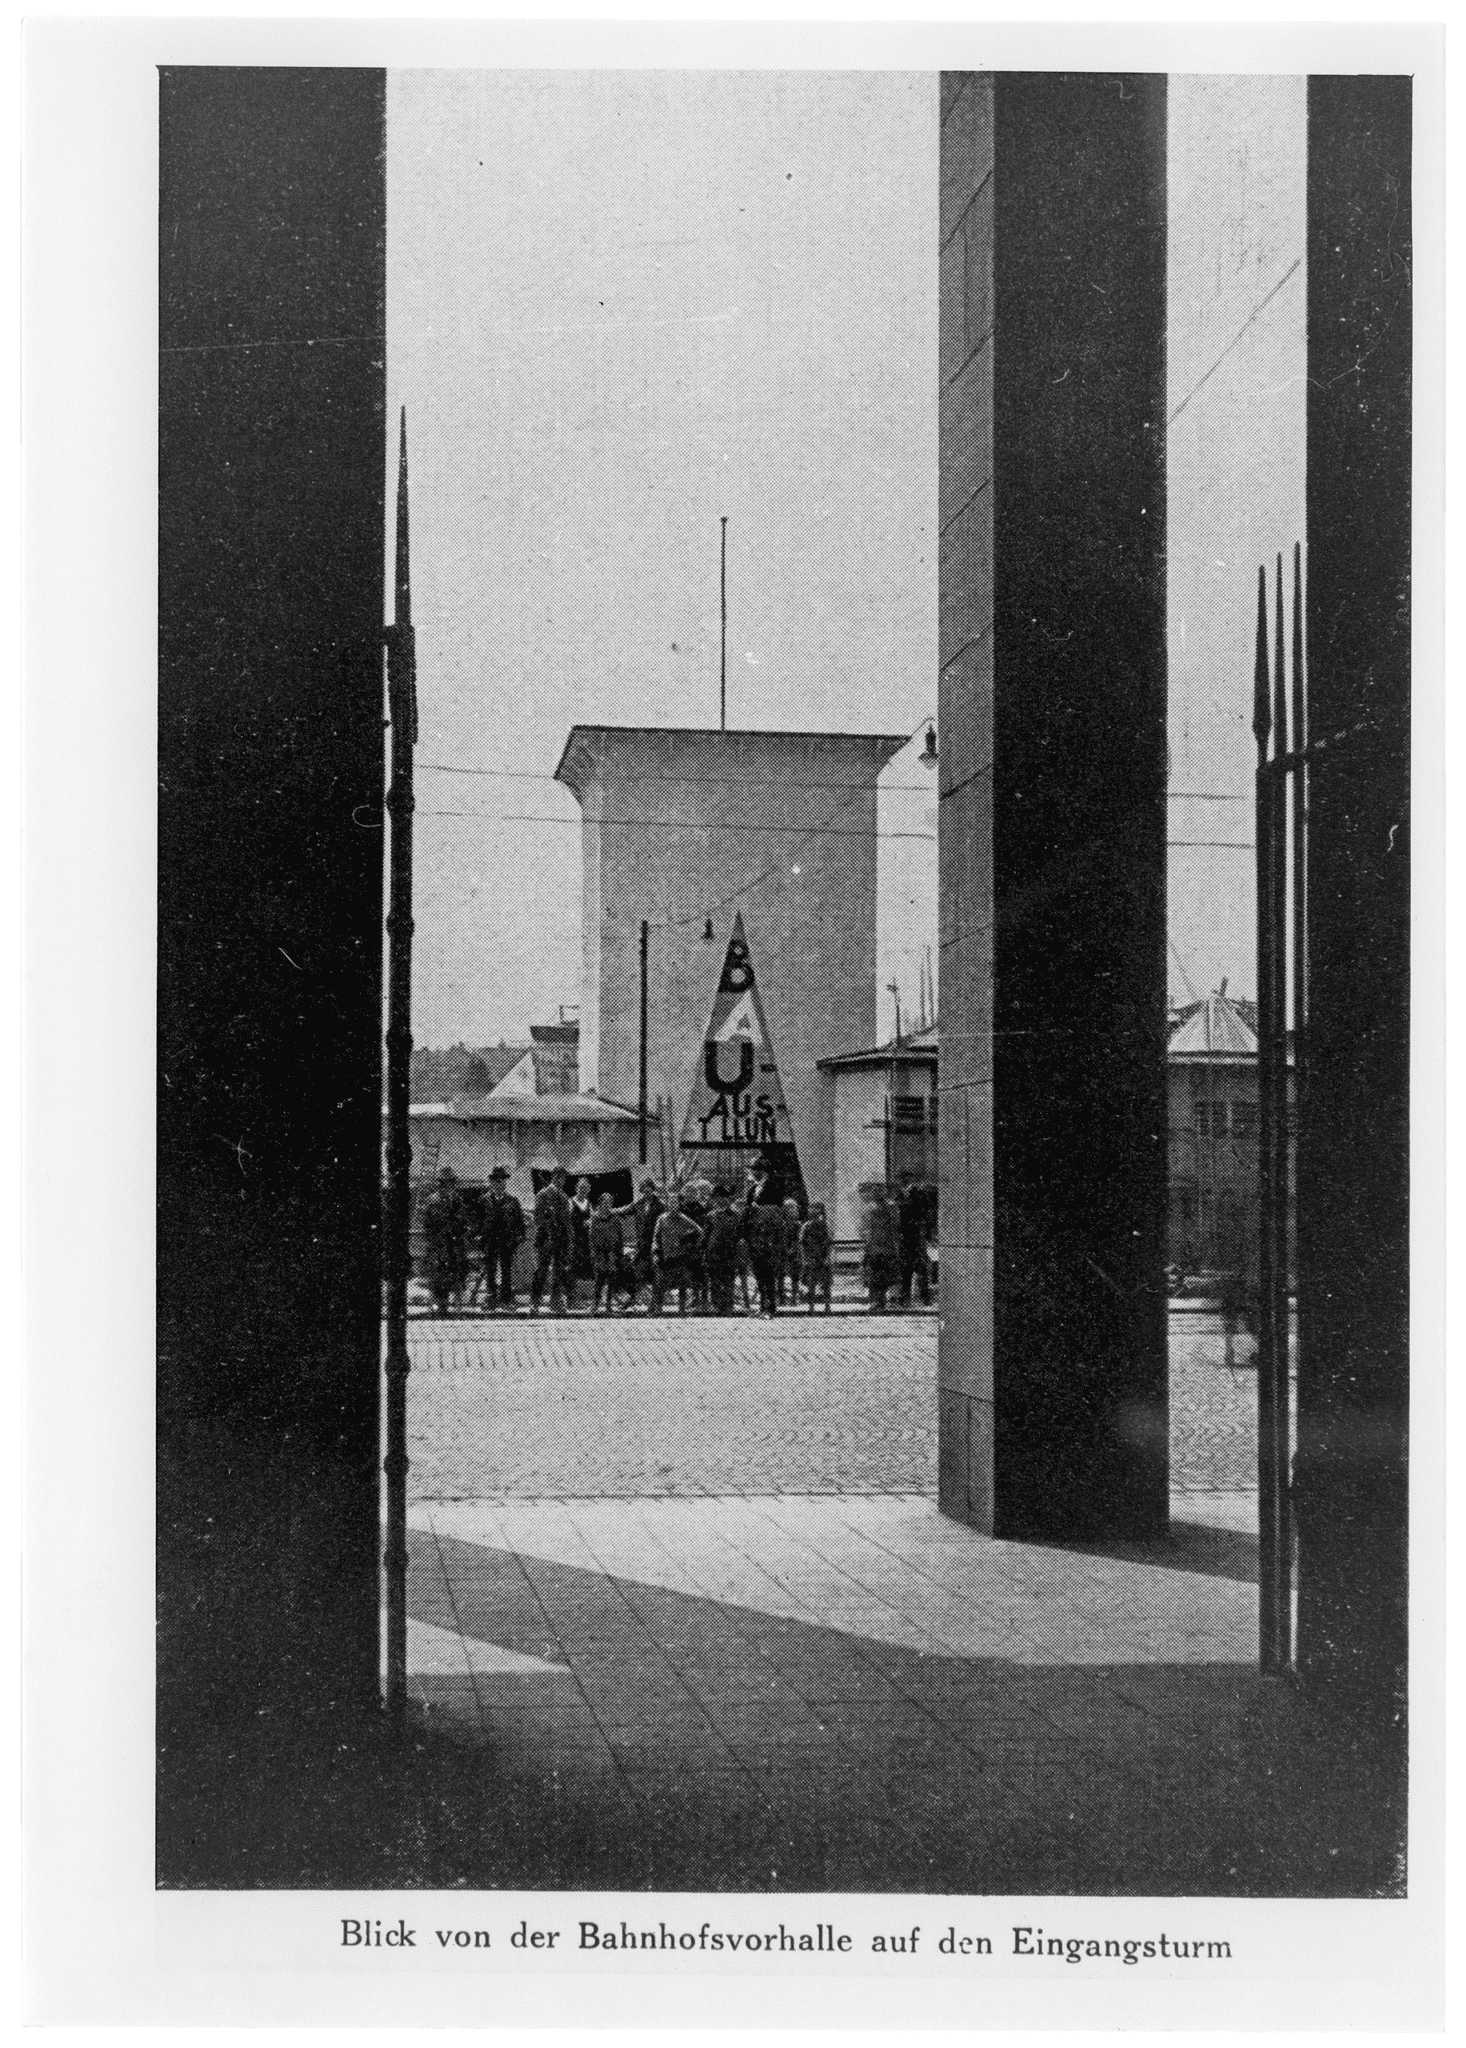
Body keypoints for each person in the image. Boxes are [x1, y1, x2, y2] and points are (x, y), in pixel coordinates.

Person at [421, 1165, 469, 1318]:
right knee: (438, 1274)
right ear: (440, 1184)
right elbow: (427, 1224)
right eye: (445, 1183)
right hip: (439, 1245)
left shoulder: (457, 1200)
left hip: (454, 1244)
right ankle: (439, 1304)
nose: (448, 1186)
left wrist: (460, 1233)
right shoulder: (432, 1201)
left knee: (457, 1272)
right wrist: (437, 1239)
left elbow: (463, 1220)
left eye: (451, 1183)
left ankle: (456, 1304)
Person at [478, 1164, 525, 1313]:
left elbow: (520, 1223)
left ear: (505, 1182)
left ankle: (506, 1299)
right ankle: (491, 1299)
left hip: (507, 1241)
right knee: (490, 1270)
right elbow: (477, 1221)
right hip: (490, 1241)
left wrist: (517, 1239)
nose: (499, 1184)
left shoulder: (513, 1201)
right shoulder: (484, 1200)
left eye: (502, 1181)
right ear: (491, 1183)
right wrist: (479, 1238)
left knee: (506, 1270)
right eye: (496, 1181)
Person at [530, 1166, 572, 1315]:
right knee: (541, 1271)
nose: (561, 1180)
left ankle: (555, 1301)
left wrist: (568, 1241)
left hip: (560, 1240)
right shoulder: (543, 1194)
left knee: (558, 1272)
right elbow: (537, 1219)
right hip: (545, 1239)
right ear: (553, 1177)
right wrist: (548, 1219)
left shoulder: (565, 1197)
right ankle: (535, 1303)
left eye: (563, 1178)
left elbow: (567, 1222)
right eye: (559, 1177)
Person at [743, 1171, 784, 1318]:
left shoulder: (772, 1190)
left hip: (768, 1243)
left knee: (769, 1277)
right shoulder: (751, 1190)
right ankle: (762, 1307)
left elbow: (778, 1221)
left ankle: (771, 1308)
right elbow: (746, 1217)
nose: (753, 1172)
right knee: (759, 1277)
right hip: (755, 1242)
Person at [704, 1185, 744, 1316]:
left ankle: (727, 1308)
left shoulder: (736, 1216)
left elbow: (740, 1235)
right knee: (715, 1282)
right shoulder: (710, 1216)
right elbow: (706, 1236)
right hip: (713, 1254)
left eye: (724, 1198)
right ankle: (716, 1307)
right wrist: (703, 1252)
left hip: (729, 1254)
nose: (720, 1201)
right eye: (717, 1198)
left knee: (728, 1281)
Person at [625, 1177, 664, 1309]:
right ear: (642, 1190)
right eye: (644, 1189)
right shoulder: (638, 1204)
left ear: (653, 1189)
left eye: (650, 1188)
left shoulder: (660, 1205)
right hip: (642, 1246)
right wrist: (606, 1211)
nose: (647, 1191)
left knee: (656, 1274)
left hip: (655, 1245)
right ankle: (635, 1299)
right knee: (638, 1273)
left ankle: (656, 1304)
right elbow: (624, 1211)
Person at [863, 1186, 901, 1313]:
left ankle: (880, 1300)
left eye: (880, 1191)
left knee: (882, 1274)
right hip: (878, 1247)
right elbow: (865, 1228)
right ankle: (876, 1301)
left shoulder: (890, 1207)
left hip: (884, 1247)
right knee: (876, 1274)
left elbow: (896, 1226)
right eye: (875, 1191)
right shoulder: (871, 1208)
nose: (877, 1193)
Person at [896, 1174, 932, 1308]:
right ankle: (904, 1298)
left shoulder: (918, 1194)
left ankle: (925, 1297)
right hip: (905, 1237)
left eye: (903, 1179)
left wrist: (925, 1232)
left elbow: (924, 1213)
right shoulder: (900, 1194)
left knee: (920, 1267)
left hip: (916, 1235)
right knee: (905, 1268)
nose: (901, 1181)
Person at [589, 1192, 625, 1315]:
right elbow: (591, 1237)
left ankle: (609, 1305)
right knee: (599, 1279)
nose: (607, 1204)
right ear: (600, 1203)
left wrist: (619, 1253)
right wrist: (593, 1253)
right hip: (599, 1253)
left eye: (609, 1202)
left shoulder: (615, 1219)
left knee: (611, 1279)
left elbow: (620, 1237)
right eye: (605, 1202)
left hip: (611, 1253)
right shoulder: (594, 1218)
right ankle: (595, 1305)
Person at [680, 1178, 712, 1313]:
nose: (690, 1195)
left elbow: (704, 1227)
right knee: (690, 1274)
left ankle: (704, 1300)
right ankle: (695, 1298)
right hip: (686, 1245)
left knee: (702, 1273)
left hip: (698, 1245)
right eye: (688, 1192)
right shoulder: (682, 1208)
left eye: (693, 1192)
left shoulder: (701, 1208)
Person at [799, 1202, 834, 1315]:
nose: (813, 1212)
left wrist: (827, 1257)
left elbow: (828, 1243)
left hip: (822, 1258)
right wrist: (806, 1258)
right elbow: (802, 1243)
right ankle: (811, 1307)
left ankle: (827, 1306)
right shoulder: (806, 1226)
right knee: (811, 1284)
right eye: (811, 1210)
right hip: (811, 1258)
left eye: (816, 1210)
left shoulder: (824, 1226)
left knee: (826, 1284)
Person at [568, 1175, 595, 1308]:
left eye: (585, 1188)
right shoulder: (571, 1202)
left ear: (588, 1190)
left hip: (585, 1241)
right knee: (572, 1268)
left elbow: (593, 1218)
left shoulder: (589, 1204)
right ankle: (571, 1300)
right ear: (576, 1188)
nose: (583, 1190)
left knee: (584, 1269)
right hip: (573, 1240)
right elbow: (567, 1221)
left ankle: (581, 1299)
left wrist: (590, 1221)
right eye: (581, 1188)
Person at [779, 1197, 803, 1303]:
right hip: (783, 1251)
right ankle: (781, 1297)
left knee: (795, 1275)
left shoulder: (797, 1225)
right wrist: (785, 1248)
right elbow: (780, 1238)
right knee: (780, 1275)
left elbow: (799, 1239)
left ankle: (794, 1297)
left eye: (793, 1208)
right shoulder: (781, 1224)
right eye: (789, 1208)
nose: (792, 1210)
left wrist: (793, 1249)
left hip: (795, 1252)